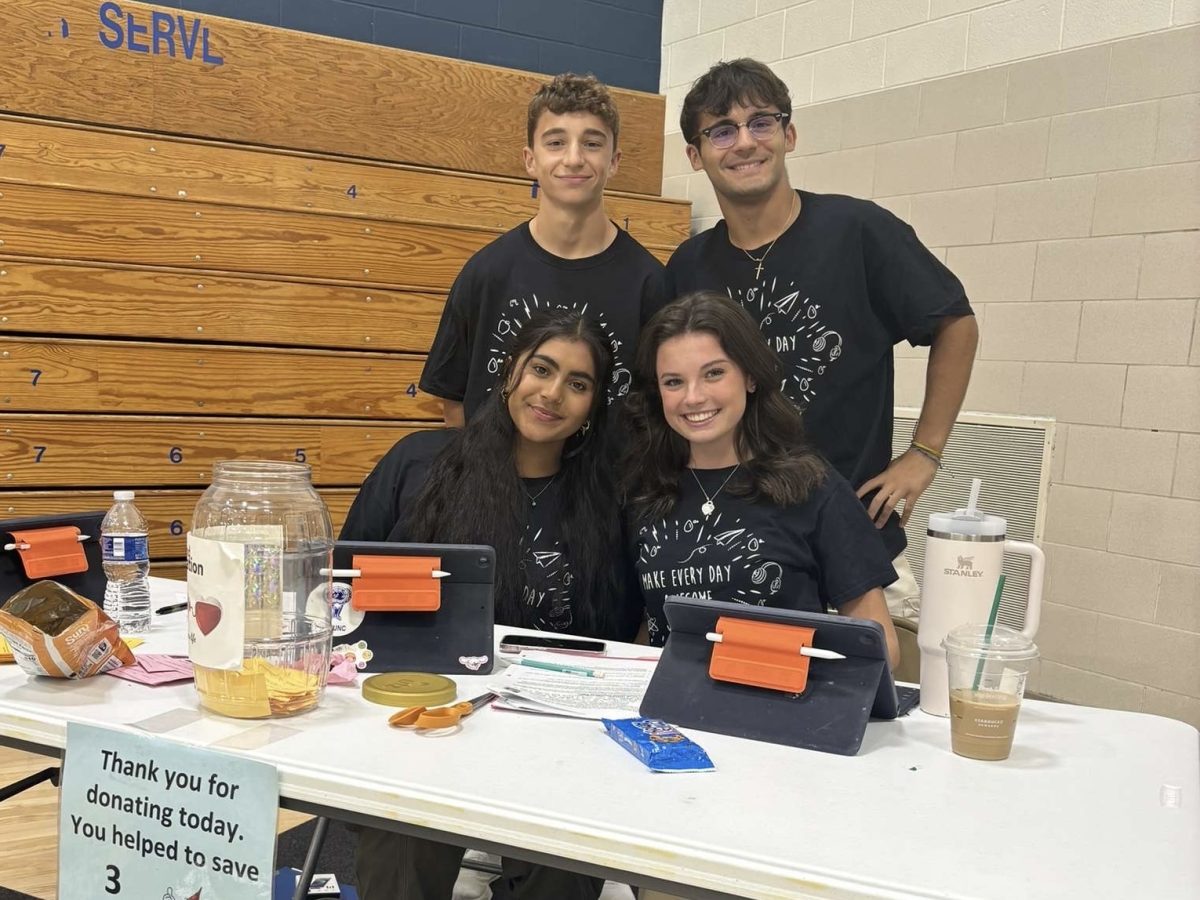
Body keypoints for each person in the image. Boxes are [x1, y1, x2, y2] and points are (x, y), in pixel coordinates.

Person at [344, 309, 637, 900]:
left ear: (593, 407)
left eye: (578, 384)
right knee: (405, 841)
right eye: (542, 370)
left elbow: (618, 632)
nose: (552, 394)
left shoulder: (609, 499)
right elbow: (343, 587)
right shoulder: (418, 463)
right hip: (427, 715)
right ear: (510, 375)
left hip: (555, 730)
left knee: (566, 852)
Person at [668, 59, 979, 617]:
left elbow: (955, 322)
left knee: (871, 697)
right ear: (695, 155)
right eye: (721, 130)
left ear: (788, 134)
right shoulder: (689, 264)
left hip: (853, 543)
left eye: (761, 122)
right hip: (736, 543)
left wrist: (925, 453)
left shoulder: (859, 232)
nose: (744, 143)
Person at [624, 292, 900, 668]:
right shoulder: (642, 488)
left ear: (750, 376)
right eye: (673, 382)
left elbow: (881, 646)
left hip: (780, 708)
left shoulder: (813, 486)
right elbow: (647, 627)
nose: (693, 397)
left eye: (714, 373)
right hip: (674, 708)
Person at [419, 72, 665, 427]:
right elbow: (454, 402)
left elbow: (658, 413)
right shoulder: (486, 273)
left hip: (608, 484)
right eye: (556, 142)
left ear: (614, 161)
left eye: (593, 144)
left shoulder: (650, 284)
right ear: (530, 159)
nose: (574, 158)